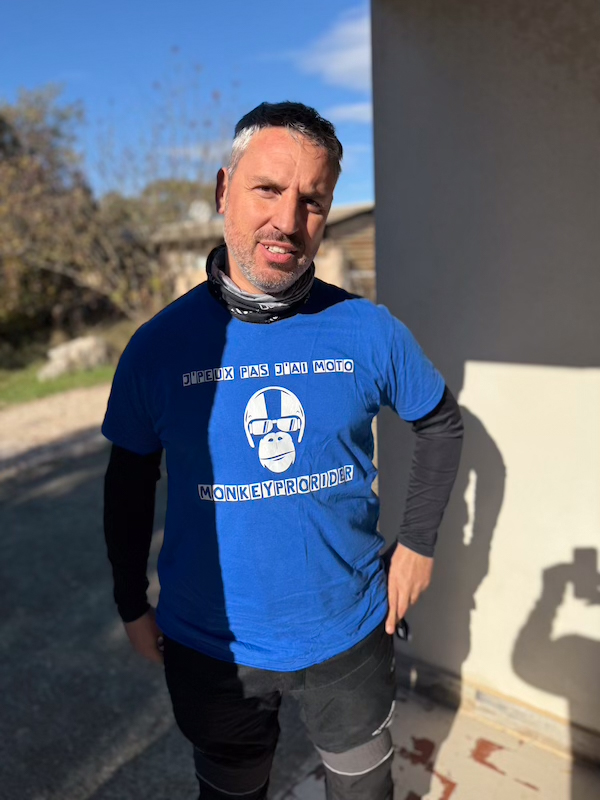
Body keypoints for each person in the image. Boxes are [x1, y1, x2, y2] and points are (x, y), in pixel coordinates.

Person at [102, 101, 463, 800]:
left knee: (363, 789)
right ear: (223, 190)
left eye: (312, 201)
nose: (288, 221)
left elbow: (441, 424)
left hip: (352, 630)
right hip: (211, 644)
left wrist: (418, 544)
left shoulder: (366, 330)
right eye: (267, 189)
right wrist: (129, 601)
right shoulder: (158, 348)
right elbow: (129, 481)